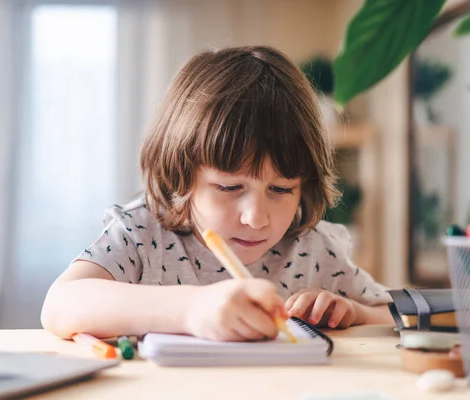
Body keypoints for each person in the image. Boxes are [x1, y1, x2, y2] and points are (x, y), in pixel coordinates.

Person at [41, 46, 393, 342]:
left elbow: (394, 316)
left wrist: (352, 312)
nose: (256, 217)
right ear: (181, 174)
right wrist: (191, 309)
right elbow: (59, 305)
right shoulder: (142, 235)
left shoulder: (313, 248)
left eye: (281, 189)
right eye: (229, 187)